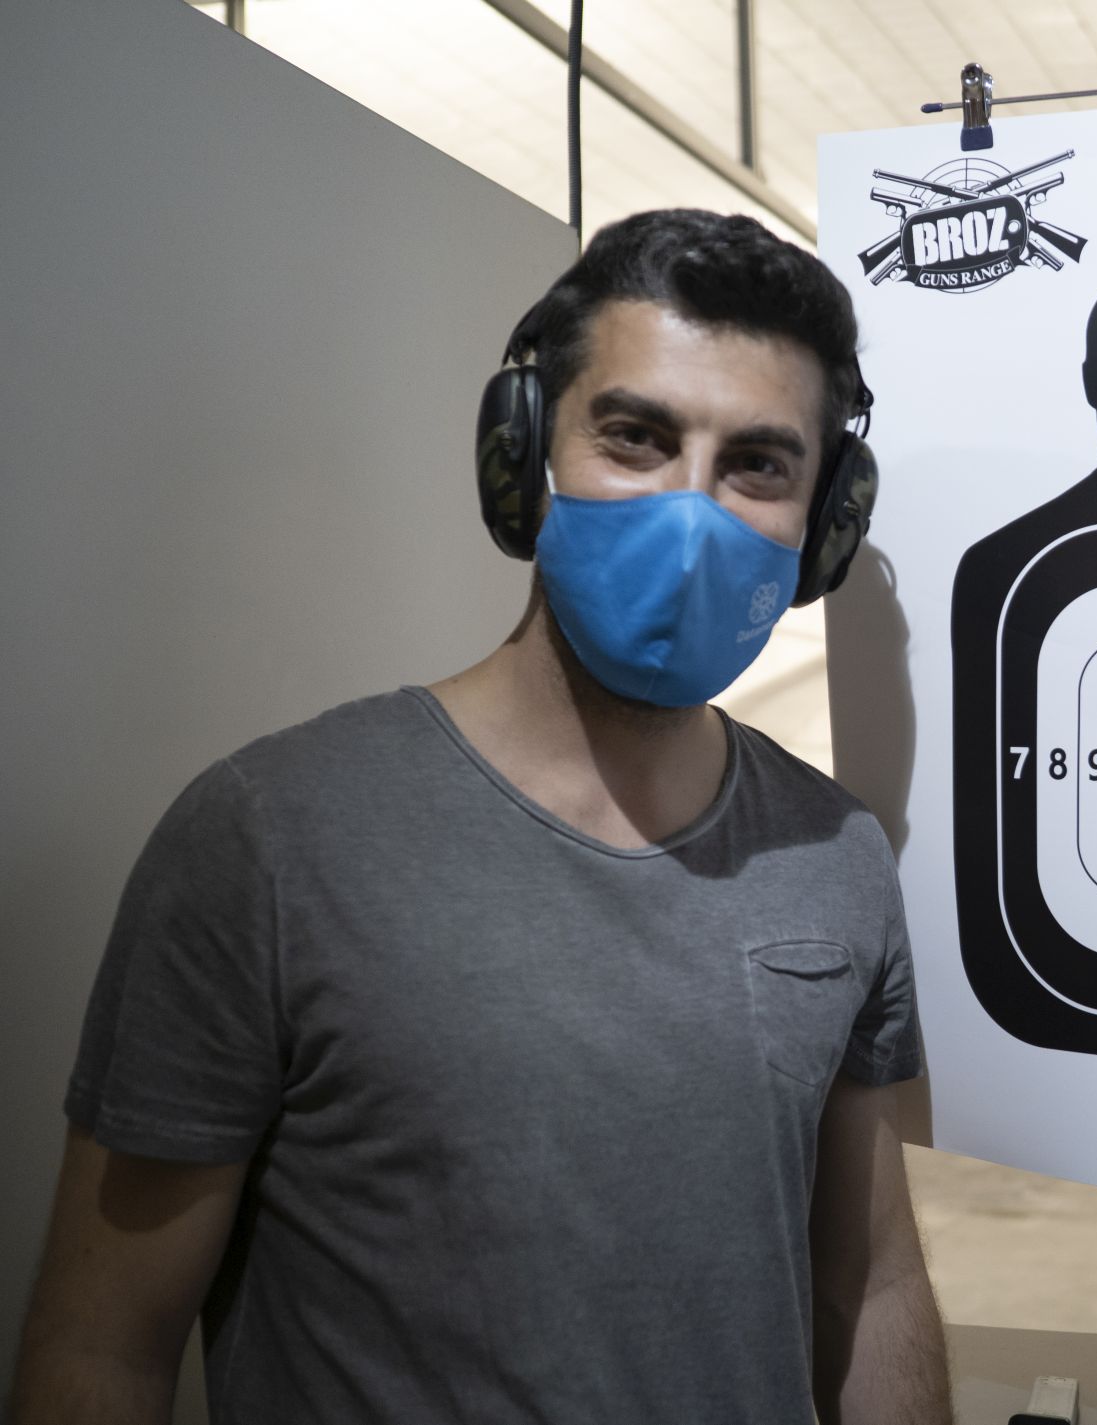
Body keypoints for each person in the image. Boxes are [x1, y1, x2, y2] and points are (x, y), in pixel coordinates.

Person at [9, 209, 953, 1425]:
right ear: (523, 460)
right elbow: (103, 1347)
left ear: (822, 528)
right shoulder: (267, 840)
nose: (690, 515)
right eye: (635, 437)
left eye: (757, 465)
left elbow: (871, 1286)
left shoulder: (835, 854)